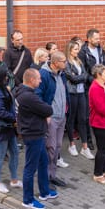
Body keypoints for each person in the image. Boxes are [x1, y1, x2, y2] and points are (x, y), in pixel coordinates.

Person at [14, 68, 55, 209]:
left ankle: (44, 192)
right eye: (38, 78)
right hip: (33, 134)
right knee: (30, 168)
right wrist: (45, 116)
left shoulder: (25, 93)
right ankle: (28, 200)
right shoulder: (29, 97)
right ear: (32, 80)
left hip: (36, 132)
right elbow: (48, 110)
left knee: (43, 162)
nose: (41, 80)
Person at [0, 67, 22, 193]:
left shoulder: (3, 89)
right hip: (0, 128)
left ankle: (14, 179)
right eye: (5, 76)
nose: (7, 78)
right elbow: (0, 112)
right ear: (0, 78)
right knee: (0, 155)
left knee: (15, 152)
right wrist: (15, 118)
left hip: (8, 127)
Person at [38, 50, 69, 187]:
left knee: (57, 147)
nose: (66, 63)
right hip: (51, 117)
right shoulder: (44, 75)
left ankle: (52, 175)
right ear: (55, 63)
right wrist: (46, 114)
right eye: (63, 61)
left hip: (62, 116)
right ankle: (45, 175)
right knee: (50, 147)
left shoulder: (62, 75)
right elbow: (38, 96)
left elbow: (64, 92)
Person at [64, 39, 92, 160]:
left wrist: (78, 77)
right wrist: (79, 78)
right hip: (72, 93)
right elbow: (71, 78)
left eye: (78, 49)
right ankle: (71, 144)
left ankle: (85, 147)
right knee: (71, 118)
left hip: (81, 92)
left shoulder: (79, 61)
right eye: (75, 49)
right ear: (70, 50)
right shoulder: (66, 63)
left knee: (83, 118)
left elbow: (85, 75)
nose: (77, 51)